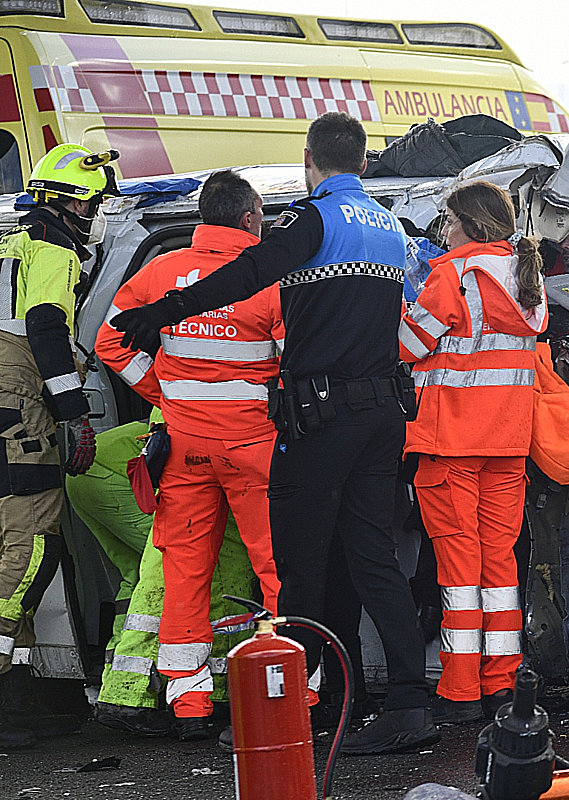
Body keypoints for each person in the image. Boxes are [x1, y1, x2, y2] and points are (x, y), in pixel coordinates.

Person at [110, 112, 437, 756]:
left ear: (309, 160)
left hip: (320, 418)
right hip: (380, 418)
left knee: (297, 566)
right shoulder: (390, 229)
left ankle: (306, 705)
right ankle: (402, 704)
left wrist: (163, 312)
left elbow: (247, 274)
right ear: (365, 164)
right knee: (370, 560)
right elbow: (405, 326)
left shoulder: (314, 221)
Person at [95, 169, 282, 740]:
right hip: (254, 447)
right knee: (277, 568)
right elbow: (296, 359)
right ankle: (290, 690)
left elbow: (110, 342)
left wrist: (163, 393)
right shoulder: (269, 278)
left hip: (183, 447)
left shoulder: (159, 272)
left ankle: (189, 705)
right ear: (251, 219)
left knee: (184, 574)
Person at [398, 181, 548, 723]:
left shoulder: (451, 273)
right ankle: (502, 682)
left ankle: (460, 688)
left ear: (471, 226)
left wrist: (398, 302)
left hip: (451, 442)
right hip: (507, 441)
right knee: (499, 565)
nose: (443, 229)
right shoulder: (527, 276)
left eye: (447, 219)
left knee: (459, 567)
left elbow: (408, 346)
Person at [0, 144, 118, 747]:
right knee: (31, 547)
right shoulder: (49, 252)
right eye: (93, 205)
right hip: (22, 411)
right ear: (72, 206)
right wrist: (75, 415)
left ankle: (18, 695)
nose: (94, 217)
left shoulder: (8, 245)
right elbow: (47, 330)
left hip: (5, 408)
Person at [64, 418, 258, 738]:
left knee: (136, 578)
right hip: (121, 476)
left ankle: (117, 685)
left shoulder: (179, 407)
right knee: (174, 571)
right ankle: (131, 698)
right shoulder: (223, 425)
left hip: (92, 475)